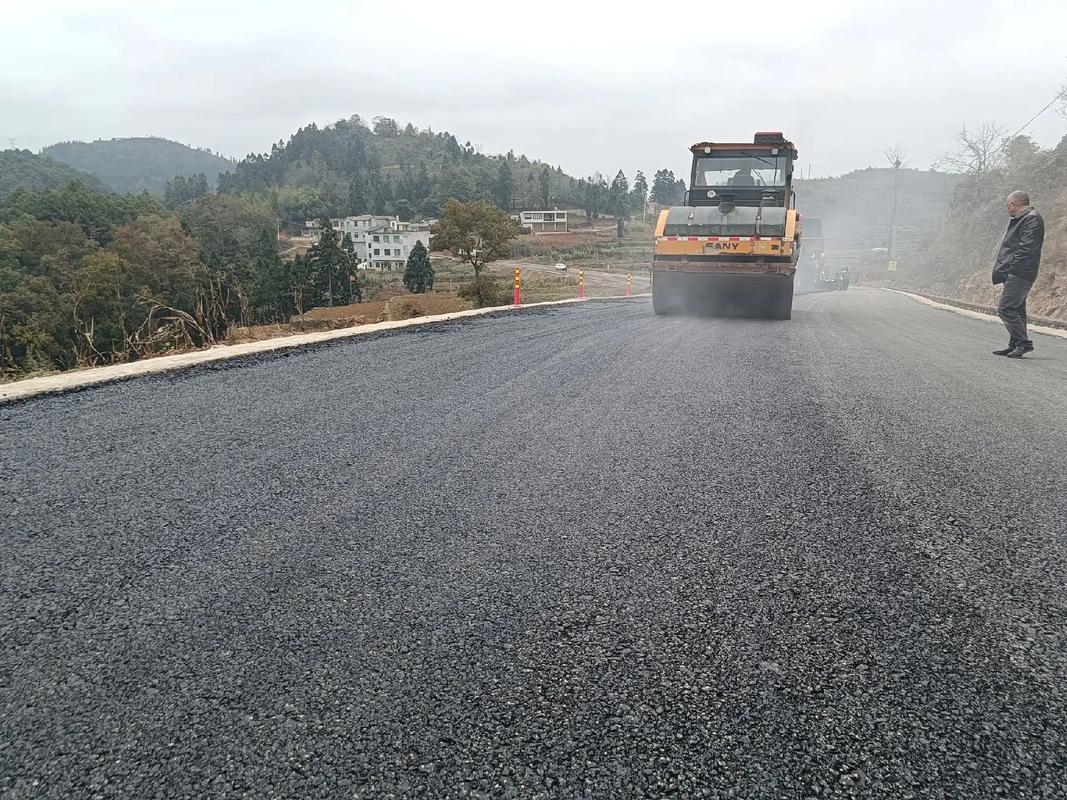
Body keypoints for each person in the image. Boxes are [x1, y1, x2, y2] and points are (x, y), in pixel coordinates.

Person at [992, 191, 1044, 358]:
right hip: (1018, 271)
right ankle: (1015, 344)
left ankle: (1023, 343)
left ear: (1014, 204)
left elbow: (1025, 249)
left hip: (1020, 271)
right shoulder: (1025, 218)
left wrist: (1013, 269)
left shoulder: (1031, 219)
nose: (1007, 209)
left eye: (1008, 205)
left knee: (1006, 308)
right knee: (1017, 308)